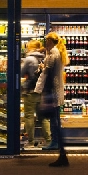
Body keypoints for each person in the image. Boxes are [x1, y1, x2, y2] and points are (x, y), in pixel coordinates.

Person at [34, 32, 68, 167]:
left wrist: (47, 94)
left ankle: (56, 143)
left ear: (50, 41)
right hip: (55, 91)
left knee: (54, 120)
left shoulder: (53, 53)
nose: (45, 42)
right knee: (55, 119)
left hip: (52, 91)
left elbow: (48, 73)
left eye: (46, 40)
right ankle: (60, 148)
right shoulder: (56, 52)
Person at [20, 40, 48, 149]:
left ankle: (31, 141)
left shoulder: (29, 59)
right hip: (42, 91)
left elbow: (20, 72)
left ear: (30, 47)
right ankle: (48, 140)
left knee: (29, 116)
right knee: (43, 117)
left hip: (31, 91)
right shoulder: (44, 58)